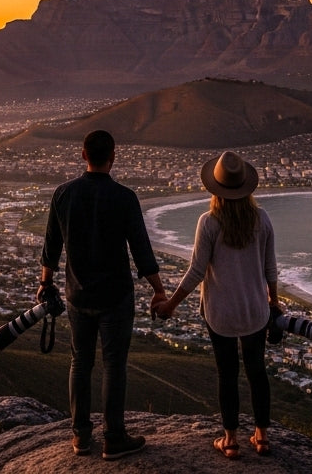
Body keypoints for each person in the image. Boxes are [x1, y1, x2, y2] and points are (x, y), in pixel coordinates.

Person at [40, 129, 168, 460]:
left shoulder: (63, 194)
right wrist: (159, 290)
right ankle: (114, 438)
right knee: (114, 364)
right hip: (115, 297)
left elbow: (51, 246)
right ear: (113, 158)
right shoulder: (124, 198)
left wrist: (45, 283)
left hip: (77, 295)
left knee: (80, 361)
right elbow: (141, 250)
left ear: (83, 155)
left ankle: (81, 437)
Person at [153, 151, 279, 459]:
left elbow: (197, 270)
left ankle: (231, 440)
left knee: (227, 373)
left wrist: (171, 303)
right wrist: (274, 302)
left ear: (215, 189)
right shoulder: (261, 218)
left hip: (220, 313)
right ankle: (261, 436)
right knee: (257, 372)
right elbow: (270, 266)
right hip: (254, 312)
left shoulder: (208, 222)